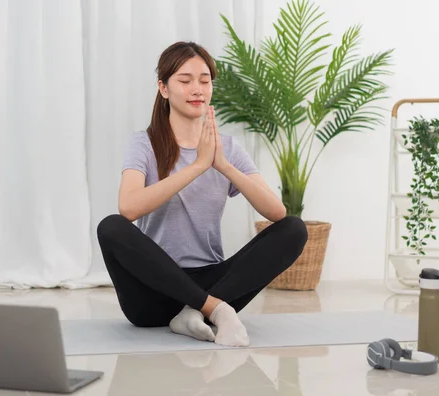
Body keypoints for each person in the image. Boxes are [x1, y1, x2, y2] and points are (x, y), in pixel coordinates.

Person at [97, 41, 308, 347]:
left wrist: (222, 165)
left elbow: (276, 213)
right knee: (110, 227)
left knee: (294, 229)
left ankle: (196, 310)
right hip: (152, 291)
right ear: (164, 88)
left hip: (215, 283)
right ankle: (213, 310)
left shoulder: (228, 148)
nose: (197, 89)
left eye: (205, 80)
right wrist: (197, 166)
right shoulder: (144, 143)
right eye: (185, 80)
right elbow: (128, 208)